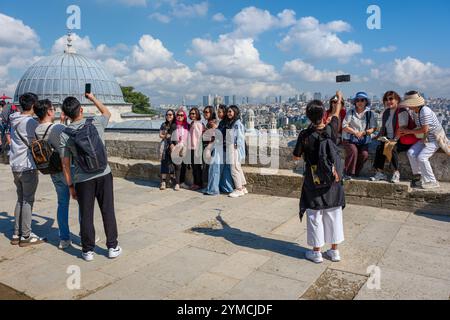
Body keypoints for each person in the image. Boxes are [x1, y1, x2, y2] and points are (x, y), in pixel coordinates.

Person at [60, 93, 121, 261]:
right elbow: (107, 113)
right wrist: (92, 98)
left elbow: (65, 164)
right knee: (107, 210)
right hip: (104, 173)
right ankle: (112, 247)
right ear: (81, 109)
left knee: (86, 214)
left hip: (82, 179)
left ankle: (87, 250)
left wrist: (70, 186)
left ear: (65, 114)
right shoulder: (95, 122)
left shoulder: (66, 134)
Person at [293, 92, 346, 264]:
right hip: (332, 178)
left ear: (308, 116)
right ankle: (334, 251)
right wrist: (338, 98)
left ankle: (316, 253)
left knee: (315, 215)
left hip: (313, 178)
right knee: (333, 213)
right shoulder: (331, 129)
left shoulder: (305, 135)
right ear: (324, 114)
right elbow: (337, 113)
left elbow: (296, 156)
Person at [34, 99, 74, 249]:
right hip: (68, 169)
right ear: (49, 111)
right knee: (83, 202)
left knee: (62, 204)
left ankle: (64, 238)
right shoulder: (56, 128)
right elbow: (67, 143)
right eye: (53, 108)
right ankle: (86, 236)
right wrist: (64, 123)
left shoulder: (37, 129)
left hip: (52, 170)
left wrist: (61, 123)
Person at [9, 93, 46, 247]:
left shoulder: (14, 119)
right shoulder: (30, 122)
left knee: (20, 199)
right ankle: (26, 236)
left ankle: (16, 234)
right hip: (27, 166)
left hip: (15, 165)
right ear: (32, 105)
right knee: (27, 201)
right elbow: (40, 138)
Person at [370, 91, 418, 183]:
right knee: (380, 147)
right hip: (390, 138)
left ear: (397, 100)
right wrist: (377, 136)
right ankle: (380, 173)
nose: (388, 101)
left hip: (402, 139)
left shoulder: (402, 111)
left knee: (391, 148)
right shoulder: (386, 112)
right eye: (386, 99)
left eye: (391, 99)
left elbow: (402, 129)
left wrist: (394, 140)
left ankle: (396, 173)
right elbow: (383, 127)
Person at [400, 91, 444, 189]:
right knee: (410, 153)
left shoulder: (425, 111)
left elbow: (425, 129)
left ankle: (432, 181)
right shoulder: (415, 112)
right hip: (425, 138)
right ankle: (420, 177)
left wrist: (408, 132)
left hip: (435, 139)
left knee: (422, 158)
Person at [342, 92, 378, 180]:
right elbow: (344, 126)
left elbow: (374, 128)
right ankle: (347, 172)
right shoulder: (351, 112)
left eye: (362, 100)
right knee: (353, 151)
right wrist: (355, 132)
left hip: (363, 139)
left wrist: (364, 133)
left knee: (364, 154)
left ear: (366, 102)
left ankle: (355, 172)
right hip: (349, 138)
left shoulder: (370, 113)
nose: (360, 102)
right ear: (355, 102)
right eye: (357, 100)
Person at [226, 105, 248, 198]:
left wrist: (235, 146)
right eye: (228, 111)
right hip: (234, 147)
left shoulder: (237, 124)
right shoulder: (235, 122)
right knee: (237, 167)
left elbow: (240, 137)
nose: (228, 113)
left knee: (234, 168)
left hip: (234, 148)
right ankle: (242, 187)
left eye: (230, 111)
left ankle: (238, 189)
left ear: (235, 112)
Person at [217, 105, 234, 194]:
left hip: (224, 149)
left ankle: (227, 188)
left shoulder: (225, 123)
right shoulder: (223, 123)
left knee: (224, 169)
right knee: (224, 169)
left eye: (220, 112)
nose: (218, 114)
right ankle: (226, 188)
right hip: (224, 148)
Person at [171, 109, 189, 191]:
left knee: (184, 166)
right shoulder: (173, 125)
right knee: (178, 166)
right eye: (178, 115)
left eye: (182, 115)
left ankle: (182, 182)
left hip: (185, 147)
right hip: (176, 147)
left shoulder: (187, 125)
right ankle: (177, 183)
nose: (180, 116)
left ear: (184, 116)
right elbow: (170, 136)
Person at [201, 106, 218, 192]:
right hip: (208, 148)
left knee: (208, 168)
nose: (205, 114)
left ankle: (209, 187)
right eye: (204, 112)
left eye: (207, 112)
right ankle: (208, 186)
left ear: (211, 113)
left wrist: (208, 148)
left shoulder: (212, 123)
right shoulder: (209, 122)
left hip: (209, 148)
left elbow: (214, 137)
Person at [159, 109, 176, 190]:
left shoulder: (175, 125)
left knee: (172, 163)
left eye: (170, 114)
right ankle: (163, 181)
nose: (168, 116)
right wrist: (167, 135)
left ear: (173, 116)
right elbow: (160, 135)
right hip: (165, 146)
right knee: (164, 162)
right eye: (167, 114)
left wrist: (166, 135)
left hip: (173, 146)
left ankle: (172, 180)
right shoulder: (163, 124)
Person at [188, 107, 204, 191]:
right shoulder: (193, 123)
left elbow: (198, 137)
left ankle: (198, 184)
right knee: (195, 167)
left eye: (194, 113)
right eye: (191, 113)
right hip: (192, 148)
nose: (192, 115)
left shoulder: (197, 124)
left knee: (197, 167)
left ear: (197, 114)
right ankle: (196, 183)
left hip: (196, 148)